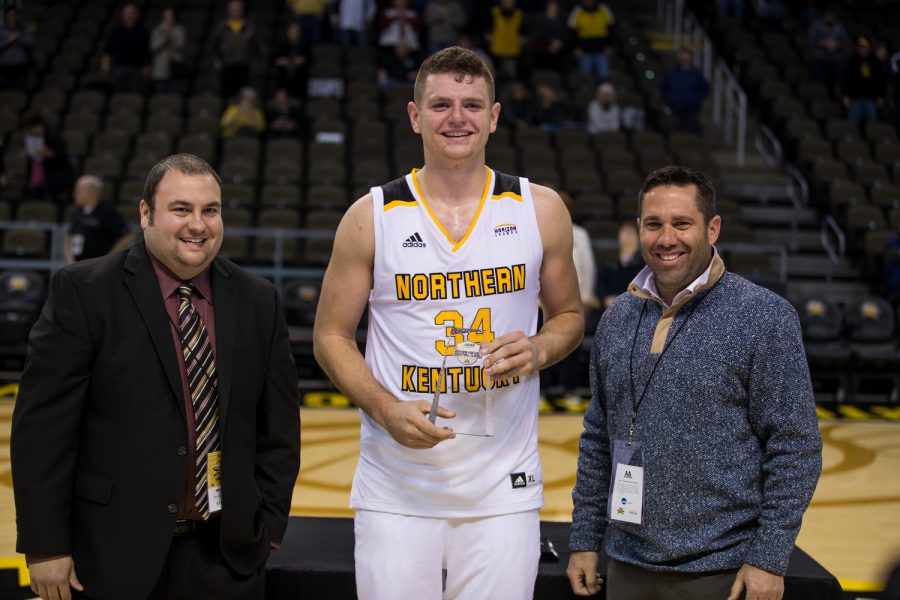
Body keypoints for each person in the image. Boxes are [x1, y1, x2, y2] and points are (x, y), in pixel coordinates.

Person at [313, 46, 584, 599]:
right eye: (440, 104)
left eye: (471, 104)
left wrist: (537, 350)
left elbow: (570, 317)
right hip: (397, 484)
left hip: (502, 489)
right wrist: (386, 409)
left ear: (494, 116)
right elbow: (330, 337)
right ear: (415, 117)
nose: (456, 117)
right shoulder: (370, 217)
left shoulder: (540, 208)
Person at [11, 153, 301, 600]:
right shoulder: (84, 291)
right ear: (145, 213)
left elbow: (279, 425)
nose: (198, 225)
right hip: (109, 553)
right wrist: (45, 546)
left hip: (226, 555)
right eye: (181, 209)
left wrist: (270, 524)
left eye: (211, 211)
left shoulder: (259, 299)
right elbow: (42, 430)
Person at [566, 165, 822, 599]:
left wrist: (768, 556)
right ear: (639, 230)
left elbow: (795, 445)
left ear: (713, 228)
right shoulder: (617, 319)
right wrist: (585, 539)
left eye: (682, 223)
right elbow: (598, 439)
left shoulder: (764, 316)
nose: (667, 238)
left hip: (721, 571)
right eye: (654, 224)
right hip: (627, 564)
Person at [65, 175, 132, 264]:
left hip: (99, 266)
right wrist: (69, 257)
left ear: (91, 192)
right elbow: (69, 234)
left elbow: (127, 236)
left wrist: (110, 258)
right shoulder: (78, 212)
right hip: (79, 264)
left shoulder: (107, 212)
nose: (74, 194)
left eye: (79, 190)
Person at [209, 0, 262, 100]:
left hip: (244, 66)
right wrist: (216, 59)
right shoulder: (221, 27)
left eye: (238, 8)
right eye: (233, 8)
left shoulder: (249, 26)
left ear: (242, 9)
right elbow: (212, 46)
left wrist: (254, 61)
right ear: (228, 10)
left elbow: (258, 46)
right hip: (226, 66)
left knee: (243, 95)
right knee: (227, 95)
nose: (236, 10)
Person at [21, 111, 73, 203]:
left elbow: (61, 156)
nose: (32, 132)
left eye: (32, 129)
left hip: (54, 174)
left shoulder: (53, 135)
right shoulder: (30, 137)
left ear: (39, 125)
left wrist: (47, 152)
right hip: (38, 174)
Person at [102, 3, 151, 93]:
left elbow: (146, 51)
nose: (130, 15)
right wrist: (105, 64)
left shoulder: (142, 31)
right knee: (118, 94)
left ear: (136, 15)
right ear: (123, 14)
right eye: (128, 13)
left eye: (132, 13)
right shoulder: (116, 30)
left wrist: (147, 65)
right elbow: (107, 49)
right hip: (119, 67)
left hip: (136, 68)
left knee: (134, 95)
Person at [596, 220, 643, 310]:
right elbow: (600, 284)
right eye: (624, 231)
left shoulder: (643, 264)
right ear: (618, 236)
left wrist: (620, 299)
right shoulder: (608, 262)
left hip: (633, 307)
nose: (627, 235)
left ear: (638, 238)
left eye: (631, 233)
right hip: (608, 306)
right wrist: (605, 298)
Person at [660, 47, 709, 133]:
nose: (684, 58)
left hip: (692, 110)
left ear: (690, 57)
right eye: (682, 56)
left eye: (687, 56)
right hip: (674, 109)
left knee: (691, 137)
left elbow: (705, 89)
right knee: (674, 135)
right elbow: (663, 88)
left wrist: (697, 99)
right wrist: (669, 100)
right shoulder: (671, 72)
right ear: (679, 57)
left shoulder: (697, 73)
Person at [841, 36, 887, 127]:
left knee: (872, 125)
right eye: (861, 47)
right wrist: (845, 95)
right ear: (858, 48)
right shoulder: (851, 62)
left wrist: (881, 96)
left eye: (865, 47)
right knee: (853, 124)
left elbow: (881, 80)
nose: (863, 50)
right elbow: (845, 80)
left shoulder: (875, 62)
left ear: (869, 48)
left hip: (871, 99)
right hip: (855, 98)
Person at [568, 0, 615, 81]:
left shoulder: (603, 9)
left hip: (601, 50)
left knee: (604, 76)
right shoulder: (577, 10)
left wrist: (609, 46)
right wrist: (576, 48)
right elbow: (572, 31)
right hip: (584, 51)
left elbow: (611, 28)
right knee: (585, 77)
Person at [808, 9, 849, 93]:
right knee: (819, 81)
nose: (831, 17)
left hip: (835, 58)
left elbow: (845, 41)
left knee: (836, 82)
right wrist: (823, 43)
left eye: (833, 16)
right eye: (829, 15)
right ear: (825, 15)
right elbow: (812, 39)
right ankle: (819, 95)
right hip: (820, 57)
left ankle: (834, 96)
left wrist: (837, 45)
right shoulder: (816, 24)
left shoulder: (839, 26)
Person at [150, 7, 187, 93]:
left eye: (171, 16)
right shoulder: (157, 30)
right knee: (161, 93)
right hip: (161, 69)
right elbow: (154, 48)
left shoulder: (179, 30)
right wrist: (165, 39)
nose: (169, 18)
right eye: (167, 16)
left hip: (176, 67)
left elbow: (181, 46)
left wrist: (170, 36)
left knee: (175, 93)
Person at [0, 6, 34, 91]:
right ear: (6, 17)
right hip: (5, 66)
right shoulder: (1, 30)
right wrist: (9, 40)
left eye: (14, 15)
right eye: (10, 15)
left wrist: (19, 38)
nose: (12, 17)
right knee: (5, 93)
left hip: (20, 66)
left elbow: (31, 44)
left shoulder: (24, 29)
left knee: (19, 92)